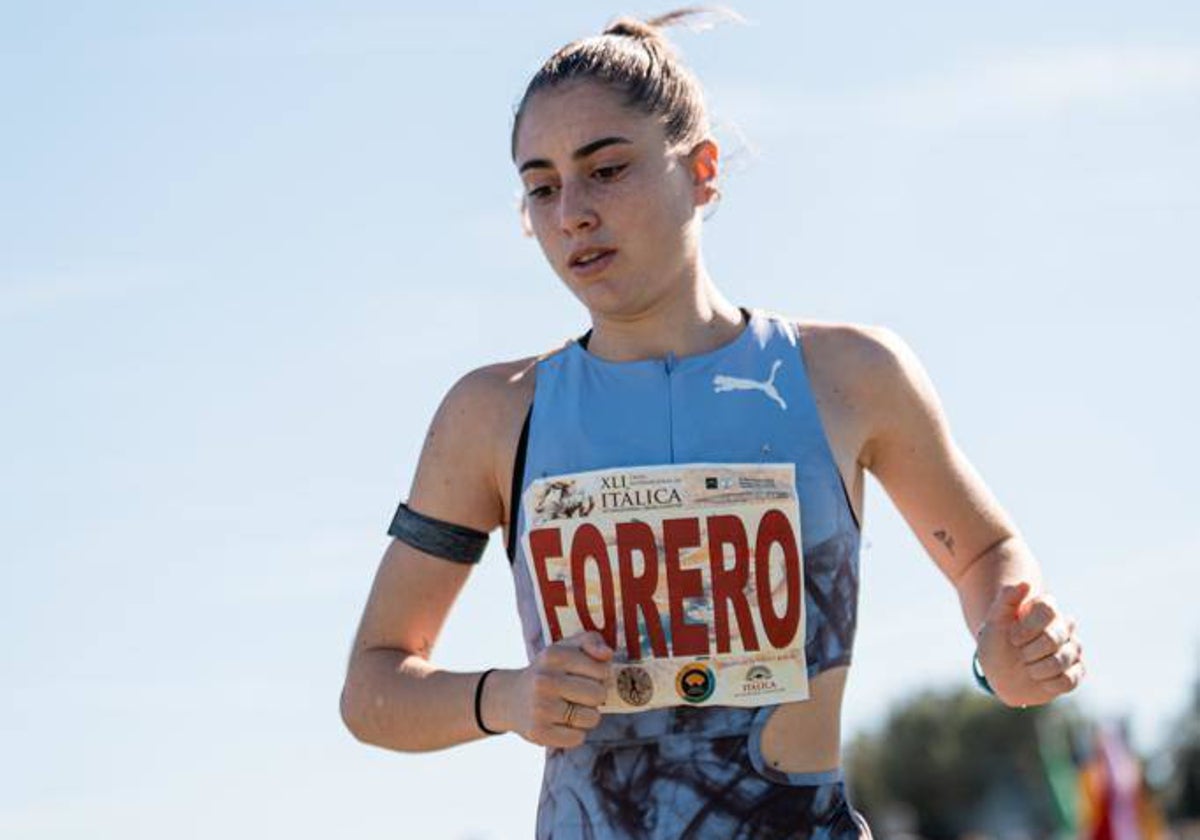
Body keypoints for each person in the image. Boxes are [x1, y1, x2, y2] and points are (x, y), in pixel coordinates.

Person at [339, 9, 1086, 838]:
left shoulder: (847, 376)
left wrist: (1005, 653)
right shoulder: (492, 414)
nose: (571, 214)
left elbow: (985, 555)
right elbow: (373, 689)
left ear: (702, 171)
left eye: (607, 169)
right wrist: (505, 697)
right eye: (541, 187)